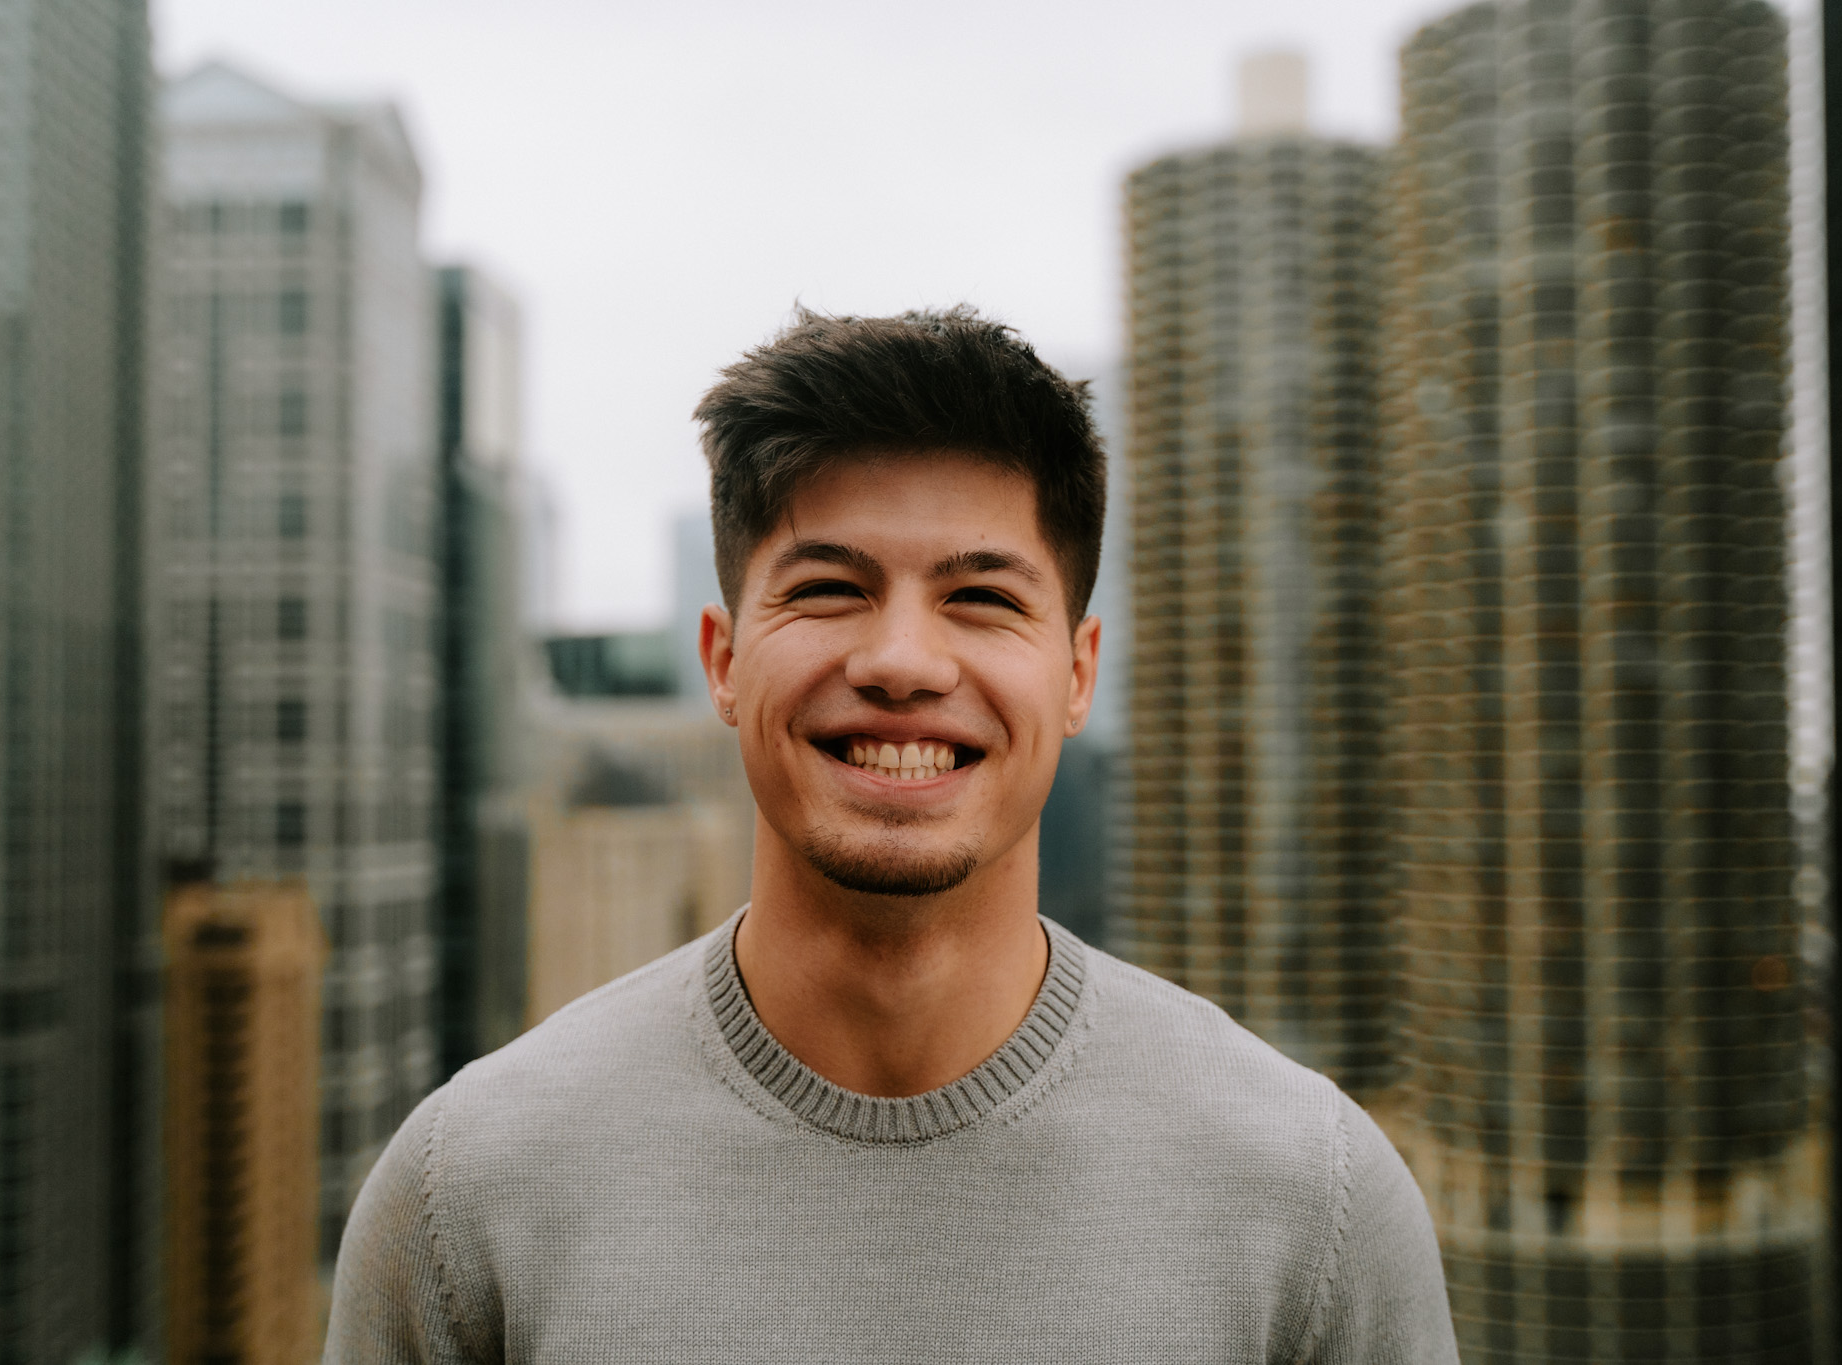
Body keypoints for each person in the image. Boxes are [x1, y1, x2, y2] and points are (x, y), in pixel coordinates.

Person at [326, 308, 1458, 1363]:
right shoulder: (465, 1191)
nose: (903, 662)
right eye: (827, 588)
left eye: (981, 598)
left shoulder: (1311, 1202)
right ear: (722, 662)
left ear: (1077, 673)